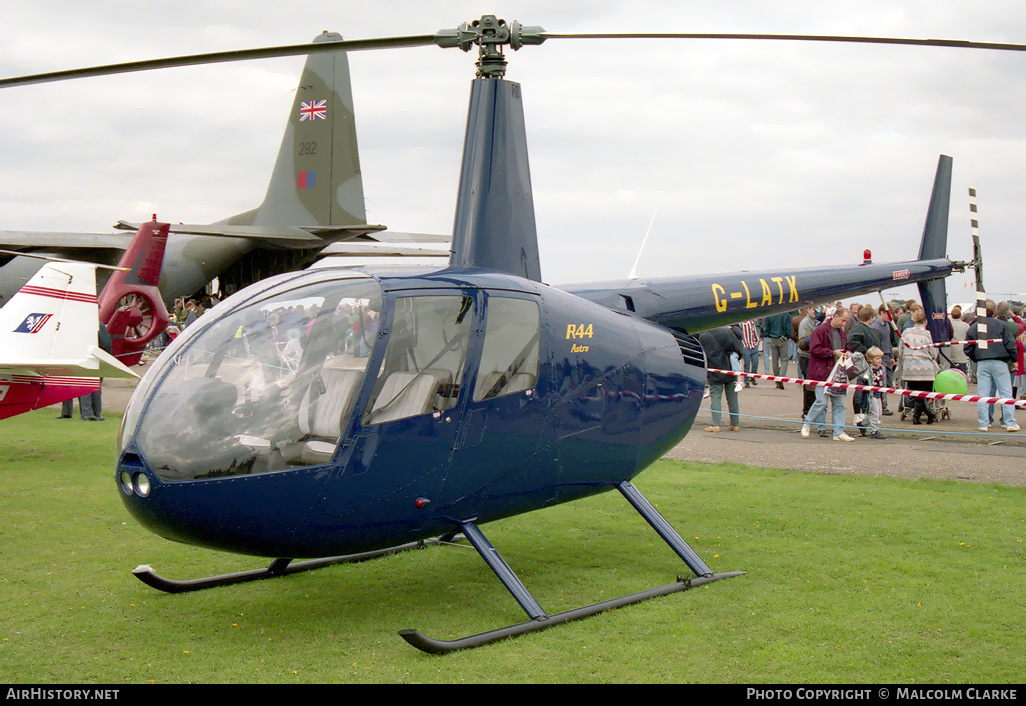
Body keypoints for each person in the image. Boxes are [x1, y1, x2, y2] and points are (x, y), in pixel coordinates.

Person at [966, 300, 1020, 432]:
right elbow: (1010, 344)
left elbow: (967, 347)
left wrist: (977, 358)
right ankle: (1009, 422)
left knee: (982, 394)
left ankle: (984, 423)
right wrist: (1013, 359)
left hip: (982, 362)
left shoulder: (974, 327)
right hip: (1000, 362)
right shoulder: (1001, 325)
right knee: (1006, 393)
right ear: (994, 311)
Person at [801, 307, 853, 442]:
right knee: (821, 402)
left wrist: (848, 353)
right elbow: (814, 349)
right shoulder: (820, 330)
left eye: (846, 321)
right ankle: (807, 423)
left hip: (837, 373)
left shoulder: (842, 333)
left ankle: (839, 431)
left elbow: (847, 347)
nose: (844, 324)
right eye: (843, 320)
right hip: (821, 373)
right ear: (835, 316)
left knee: (839, 404)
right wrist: (833, 353)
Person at [897, 308, 939, 425]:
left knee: (915, 394)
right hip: (925, 368)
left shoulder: (906, 333)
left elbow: (900, 350)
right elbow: (933, 353)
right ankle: (927, 414)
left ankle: (918, 416)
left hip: (910, 368)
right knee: (924, 394)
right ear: (926, 322)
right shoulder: (928, 335)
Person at [699, 326, 744, 432]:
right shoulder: (727, 331)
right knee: (732, 398)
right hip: (728, 368)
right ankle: (735, 423)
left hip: (714, 370)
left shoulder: (703, 336)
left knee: (715, 397)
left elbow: (702, 354)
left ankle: (716, 424)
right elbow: (737, 348)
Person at [848, 304, 881, 434]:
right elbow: (853, 340)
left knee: (868, 394)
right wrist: (866, 353)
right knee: (862, 394)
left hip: (869, 364)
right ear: (871, 317)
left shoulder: (865, 328)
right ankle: (860, 418)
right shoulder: (860, 329)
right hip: (864, 366)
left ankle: (865, 420)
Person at [869, 303, 898, 416]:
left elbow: (888, 341)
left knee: (887, 381)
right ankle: (882, 406)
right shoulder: (876, 326)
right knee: (881, 382)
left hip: (886, 354)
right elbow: (876, 344)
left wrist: (891, 356)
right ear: (882, 313)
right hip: (880, 356)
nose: (890, 317)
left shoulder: (887, 324)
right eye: (888, 314)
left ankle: (883, 405)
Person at [760, 310, 793, 388]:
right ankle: (781, 377)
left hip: (773, 338)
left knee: (775, 361)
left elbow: (765, 327)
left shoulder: (770, 314)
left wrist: (768, 334)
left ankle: (777, 379)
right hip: (783, 338)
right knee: (784, 360)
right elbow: (789, 327)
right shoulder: (786, 314)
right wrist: (787, 336)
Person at [861, 346, 888, 439]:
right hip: (871, 394)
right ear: (870, 359)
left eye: (881, 358)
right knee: (874, 412)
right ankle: (874, 430)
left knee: (879, 413)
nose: (880, 360)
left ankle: (862, 423)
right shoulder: (868, 369)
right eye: (877, 358)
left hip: (879, 393)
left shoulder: (882, 369)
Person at [739, 318, 761, 387]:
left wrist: (757, 342)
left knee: (755, 363)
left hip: (753, 346)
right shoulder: (740, 325)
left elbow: (755, 333)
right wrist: (743, 345)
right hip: (746, 347)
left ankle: (753, 377)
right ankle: (747, 381)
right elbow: (740, 336)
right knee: (747, 365)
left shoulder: (752, 323)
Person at [948, 305, 970, 374]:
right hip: (962, 353)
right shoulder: (966, 326)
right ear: (960, 314)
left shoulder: (948, 324)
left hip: (950, 353)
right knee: (962, 375)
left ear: (951, 315)